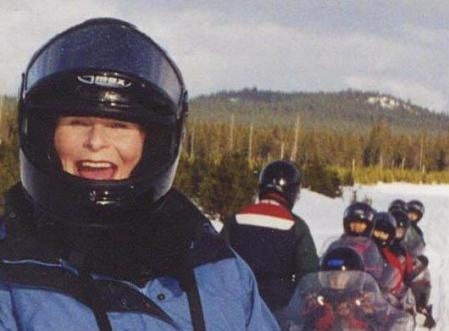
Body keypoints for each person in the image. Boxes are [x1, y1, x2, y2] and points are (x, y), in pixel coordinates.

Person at [0, 18, 279, 331]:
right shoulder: (11, 274)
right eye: (77, 122)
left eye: (119, 125)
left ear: (150, 142)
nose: (95, 141)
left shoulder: (217, 269)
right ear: (46, 135)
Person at [223, 160, 319, 312]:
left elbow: (218, 259)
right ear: (292, 192)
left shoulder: (236, 218)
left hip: (238, 305)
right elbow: (309, 271)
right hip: (278, 311)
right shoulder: (296, 225)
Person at [323, 202, 385, 284]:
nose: (357, 226)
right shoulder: (336, 245)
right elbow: (324, 266)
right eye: (354, 223)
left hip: (360, 288)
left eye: (361, 224)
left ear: (369, 226)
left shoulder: (370, 248)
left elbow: (375, 272)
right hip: (334, 284)